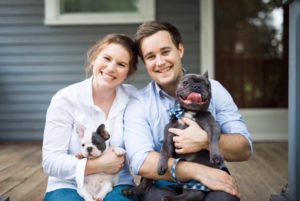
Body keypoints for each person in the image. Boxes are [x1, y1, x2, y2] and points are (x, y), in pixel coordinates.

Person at [123, 21, 253, 201]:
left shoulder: (214, 89)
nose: (160, 62)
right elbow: (141, 161)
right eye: (151, 56)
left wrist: (205, 141)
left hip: (211, 182)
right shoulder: (139, 102)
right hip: (164, 181)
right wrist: (200, 172)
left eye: (165, 51)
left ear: (180, 50)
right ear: (145, 63)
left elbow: (244, 149)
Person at [42, 33, 139, 201]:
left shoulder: (133, 98)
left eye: (121, 64)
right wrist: (98, 164)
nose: (111, 68)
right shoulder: (65, 99)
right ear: (94, 58)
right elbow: (51, 162)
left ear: (128, 72)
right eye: (106, 58)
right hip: (68, 183)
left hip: (116, 182)